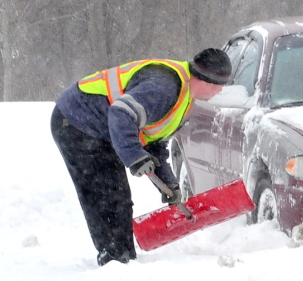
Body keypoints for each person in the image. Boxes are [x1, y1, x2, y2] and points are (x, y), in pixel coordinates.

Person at [51, 49, 232, 266]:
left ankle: (121, 257)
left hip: (103, 129)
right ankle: (115, 259)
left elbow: (154, 141)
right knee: (105, 193)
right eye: (216, 84)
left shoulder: (184, 99)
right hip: (77, 121)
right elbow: (121, 113)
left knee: (117, 196)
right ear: (201, 78)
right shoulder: (164, 87)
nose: (219, 90)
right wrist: (134, 155)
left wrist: (168, 184)